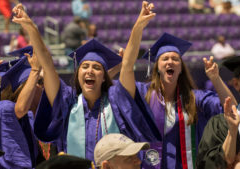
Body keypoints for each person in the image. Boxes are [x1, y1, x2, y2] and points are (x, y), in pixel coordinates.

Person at [11, 3, 161, 164]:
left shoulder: (116, 100)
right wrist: (31, 27)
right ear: (77, 73)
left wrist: (138, 27)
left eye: (96, 67)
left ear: (104, 76)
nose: (90, 71)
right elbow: (47, 65)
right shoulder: (67, 102)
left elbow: (127, 67)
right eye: (85, 66)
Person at [120, 1, 237, 168]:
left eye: (175, 59)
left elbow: (231, 109)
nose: (170, 62)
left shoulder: (194, 98)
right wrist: (138, 27)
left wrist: (216, 78)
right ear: (157, 67)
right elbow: (127, 69)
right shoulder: (143, 94)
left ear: (181, 68)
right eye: (165, 59)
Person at [0, 47, 46, 168]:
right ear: (23, 89)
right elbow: (19, 109)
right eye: (39, 82)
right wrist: (34, 71)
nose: (44, 87)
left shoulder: (31, 118)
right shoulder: (4, 108)